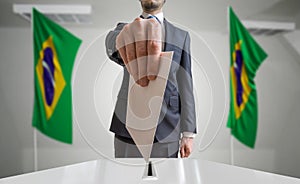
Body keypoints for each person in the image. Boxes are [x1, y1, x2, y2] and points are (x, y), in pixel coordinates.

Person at [105, 0, 196, 158]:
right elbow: (113, 42)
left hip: (168, 127)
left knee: (166, 180)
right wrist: (123, 39)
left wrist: (188, 133)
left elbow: (186, 85)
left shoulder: (181, 36)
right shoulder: (124, 30)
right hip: (128, 127)